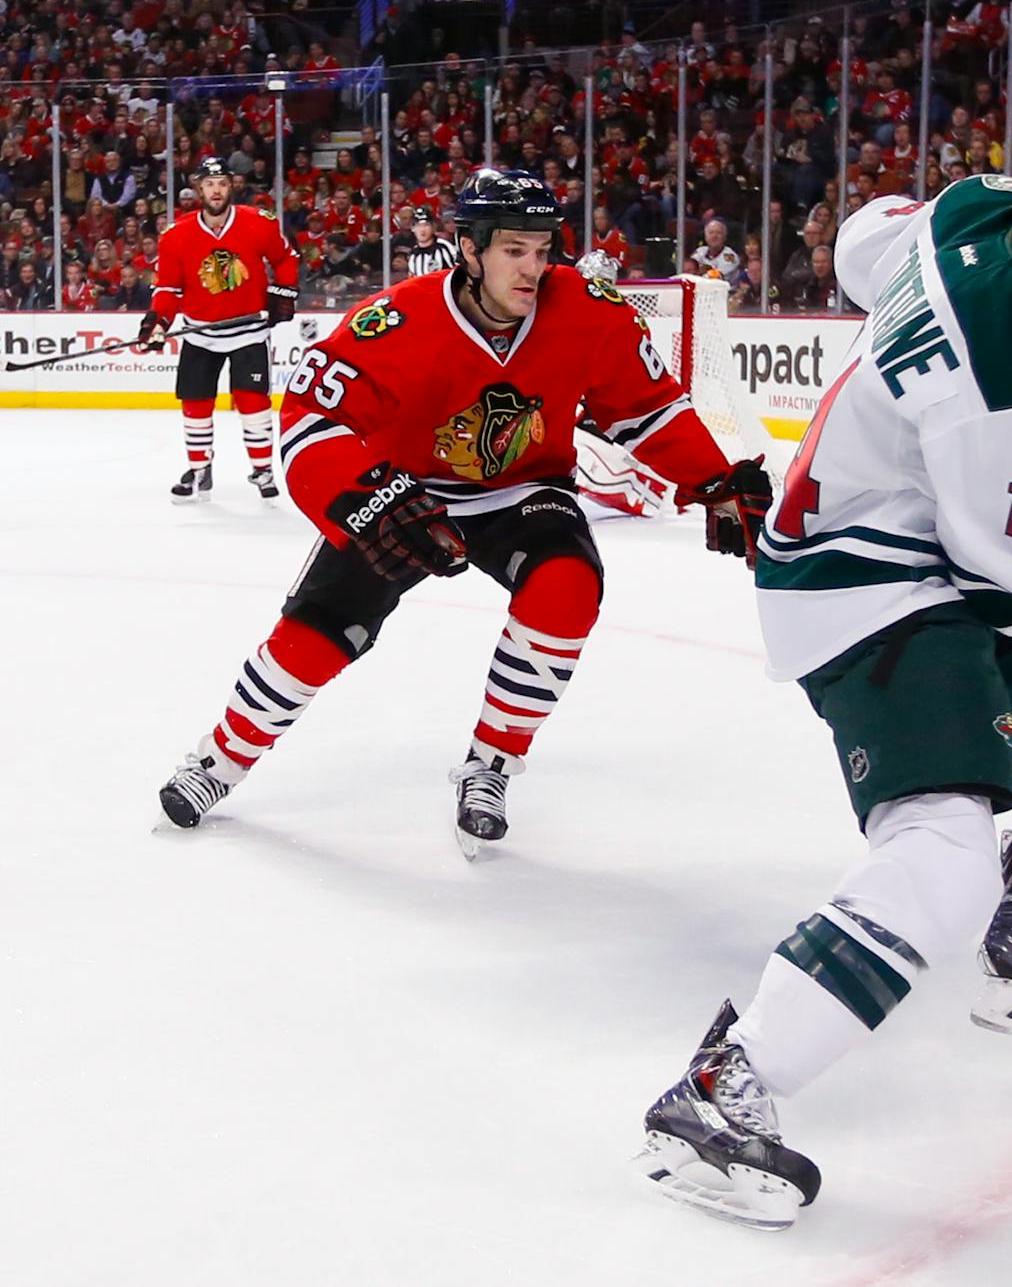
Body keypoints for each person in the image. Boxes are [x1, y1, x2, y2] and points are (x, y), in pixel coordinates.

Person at [634, 85, 1012, 1230]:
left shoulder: (970, 208)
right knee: (948, 851)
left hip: (904, 548)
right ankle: (719, 1092)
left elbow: (863, 243)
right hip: (867, 585)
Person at [154, 170, 772, 855]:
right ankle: (220, 758)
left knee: (567, 586)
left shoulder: (589, 309)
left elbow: (646, 408)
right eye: (514, 250)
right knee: (323, 631)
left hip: (522, 491)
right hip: (402, 491)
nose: (533, 268)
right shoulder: (395, 320)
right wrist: (365, 499)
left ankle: (491, 765)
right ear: (470, 249)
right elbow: (309, 419)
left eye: (543, 250)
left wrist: (713, 478)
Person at [142, 157, 299, 501]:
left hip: (249, 330)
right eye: (209, 184)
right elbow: (168, 289)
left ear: (231, 186)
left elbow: (287, 258)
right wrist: (158, 321)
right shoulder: (176, 235)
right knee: (195, 402)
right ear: (199, 189)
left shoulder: (259, 223)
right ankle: (199, 469)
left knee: (252, 401)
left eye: (222, 183)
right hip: (200, 332)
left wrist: (283, 292)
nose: (216, 190)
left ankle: (262, 469)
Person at [403, 206, 459, 277]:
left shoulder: (444, 247)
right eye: (418, 225)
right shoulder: (413, 254)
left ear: (433, 227)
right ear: (413, 228)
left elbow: (457, 270)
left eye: (426, 225)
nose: (422, 230)